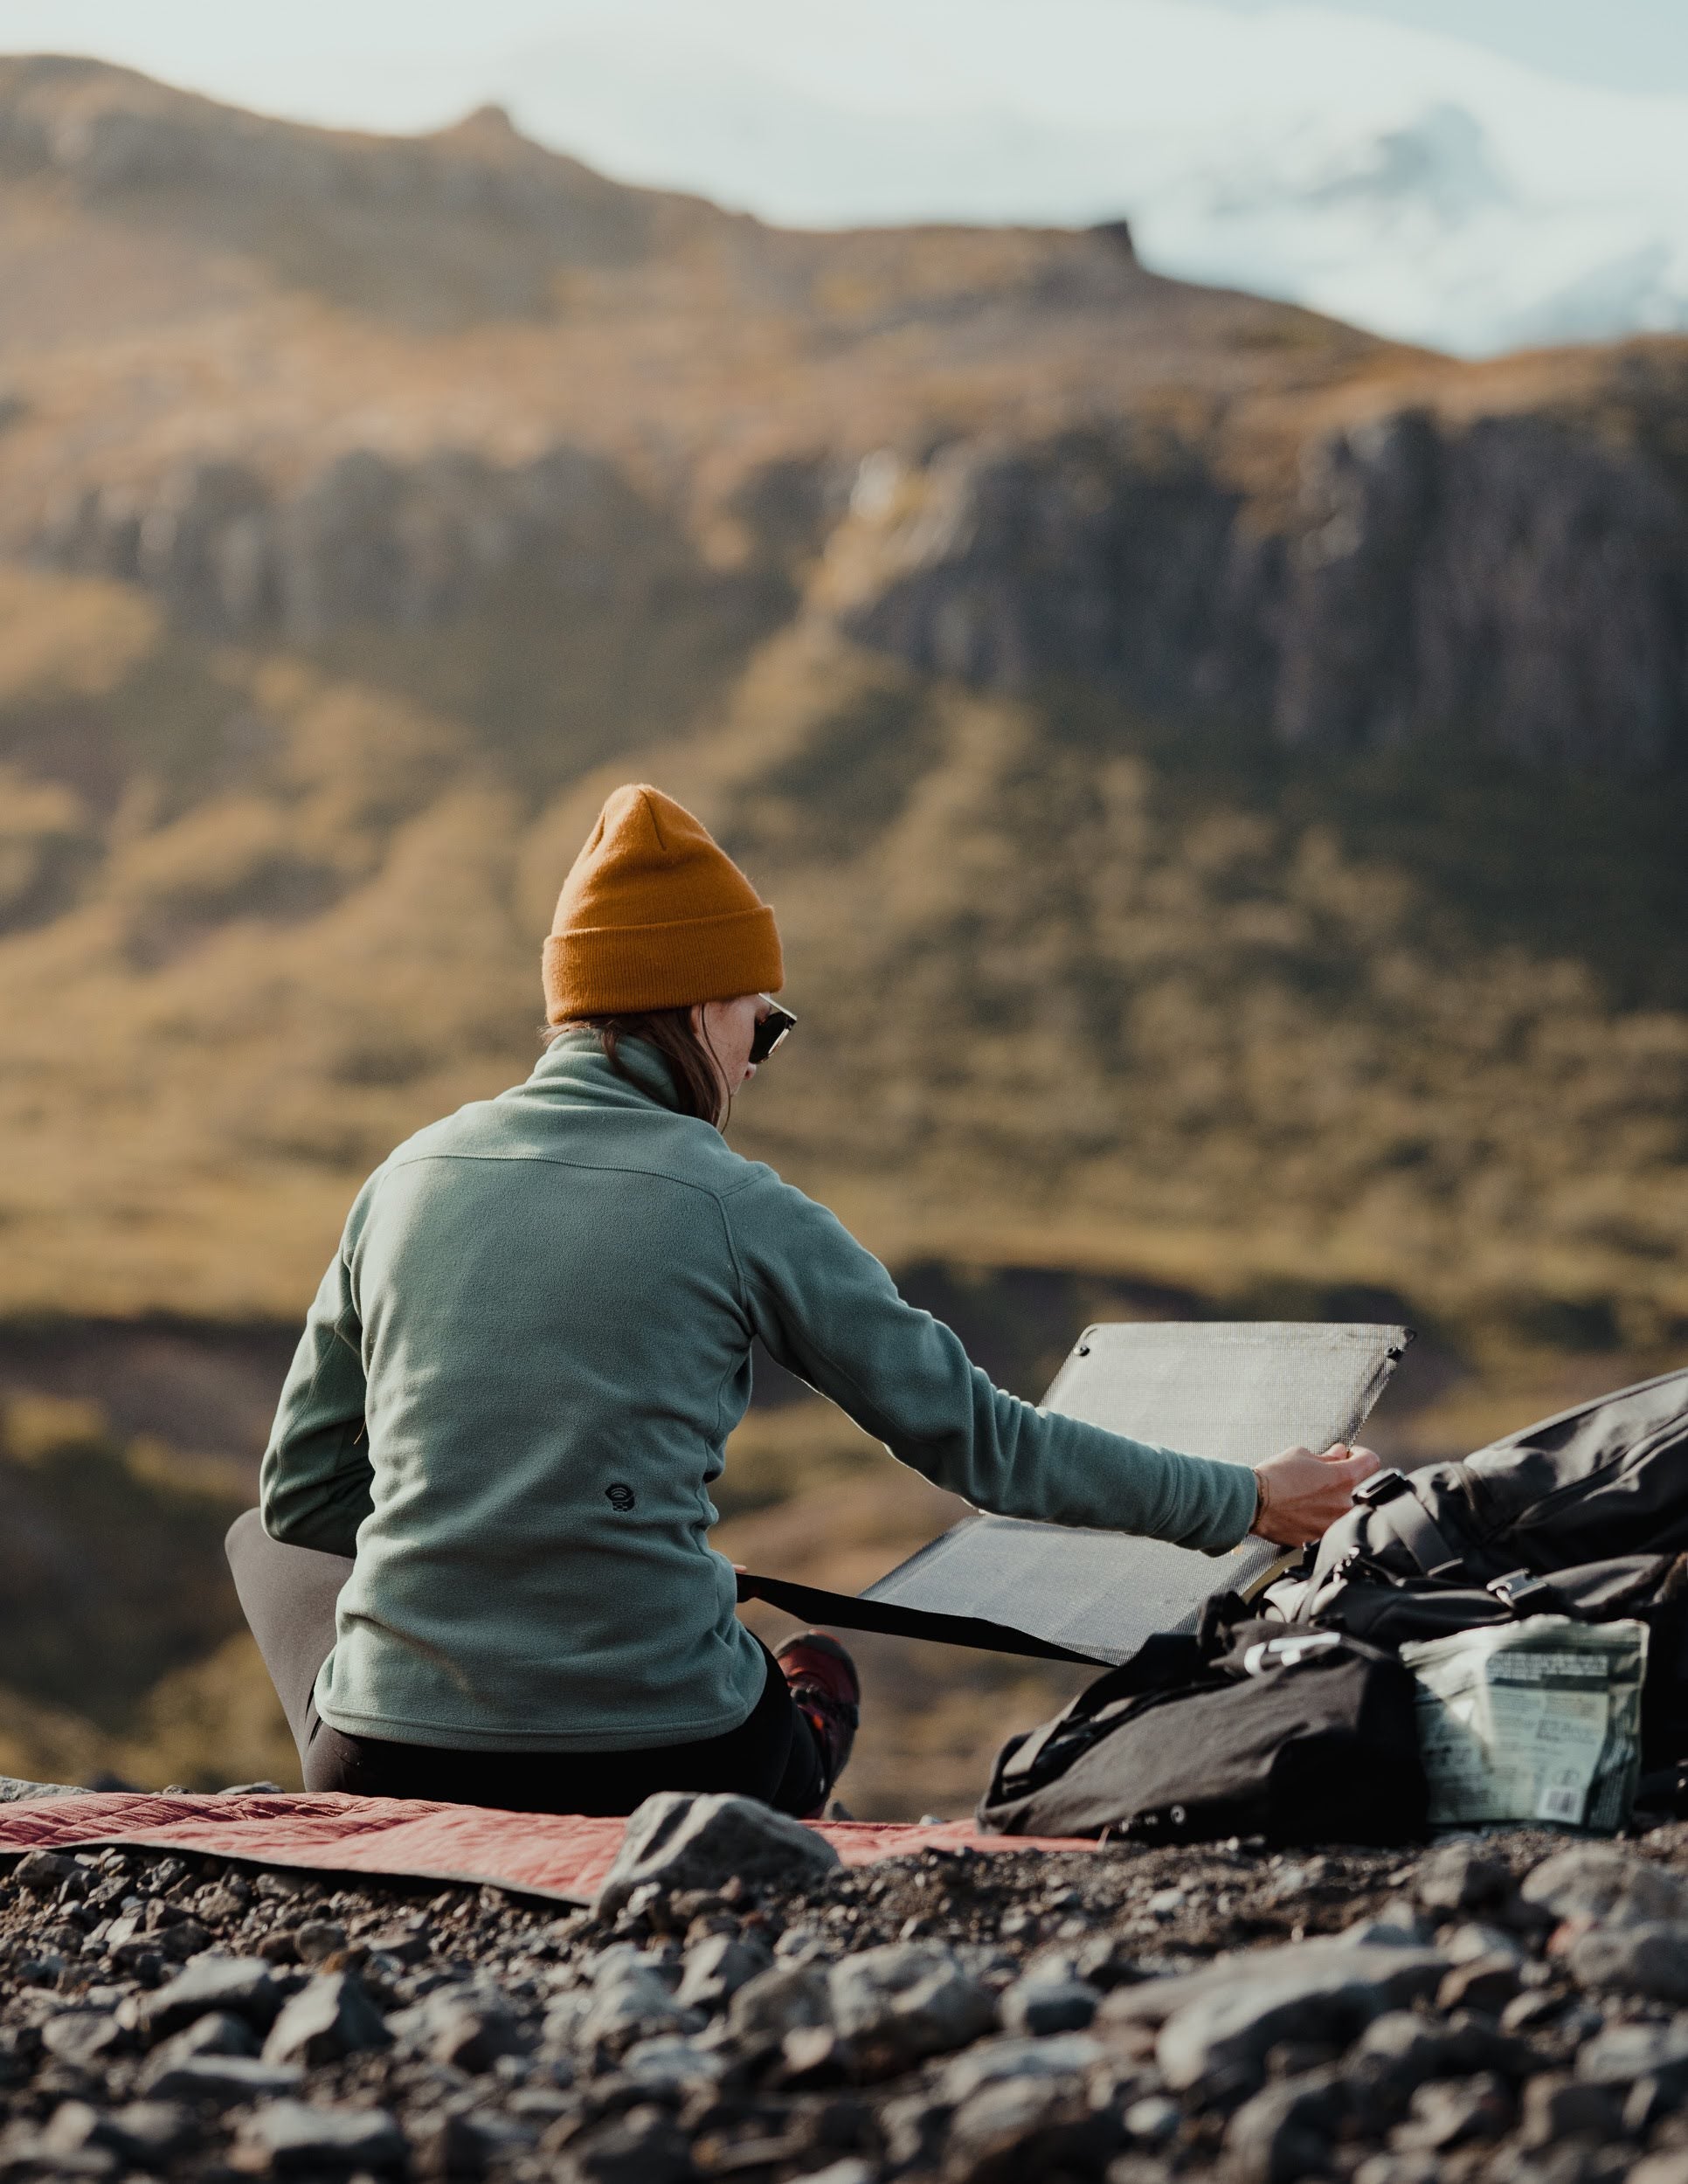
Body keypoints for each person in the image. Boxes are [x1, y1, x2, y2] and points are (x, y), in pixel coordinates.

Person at [228, 784, 1379, 1819]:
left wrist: (488, 1550)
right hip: (661, 1762)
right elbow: (984, 1447)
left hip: (389, 1761)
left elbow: (304, 1493)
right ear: (694, 1009)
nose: (752, 1065)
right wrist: (1245, 1500)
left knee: (264, 1550)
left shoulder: (405, 1179)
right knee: (815, 1667)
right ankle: (795, 1785)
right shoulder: (742, 1206)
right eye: (758, 1027)